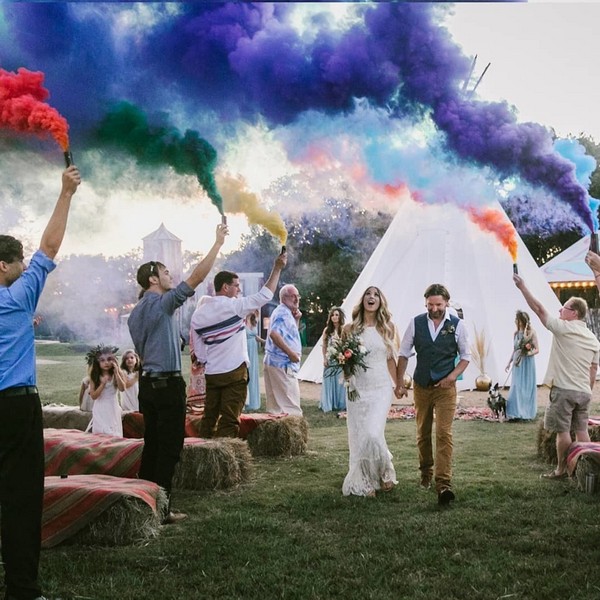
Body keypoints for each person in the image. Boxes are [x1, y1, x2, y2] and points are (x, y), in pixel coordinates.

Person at [0, 165, 80, 600]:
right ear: (3, 265)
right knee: (20, 498)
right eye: (15, 262)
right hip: (14, 407)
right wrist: (65, 192)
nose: (20, 267)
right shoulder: (16, 296)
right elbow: (50, 246)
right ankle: (21, 590)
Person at [128, 224, 228, 524]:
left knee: (153, 444)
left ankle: (144, 504)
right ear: (152, 279)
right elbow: (197, 277)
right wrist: (218, 243)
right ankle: (163, 508)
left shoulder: (135, 313)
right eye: (166, 272)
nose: (171, 276)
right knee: (169, 448)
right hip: (167, 385)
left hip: (147, 386)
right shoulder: (163, 303)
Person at [191, 253, 286, 438]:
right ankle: (225, 458)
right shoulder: (235, 307)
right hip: (234, 371)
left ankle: (203, 449)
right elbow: (266, 294)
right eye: (236, 286)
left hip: (212, 372)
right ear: (225, 287)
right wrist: (277, 268)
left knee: (209, 417)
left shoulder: (198, 315)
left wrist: (207, 361)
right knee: (229, 418)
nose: (239, 290)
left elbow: (199, 351)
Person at [513, 273, 599, 479]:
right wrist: (587, 389)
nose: (560, 310)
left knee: (562, 433)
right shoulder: (593, 339)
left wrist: (523, 287)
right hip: (584, 392)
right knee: (581, 431)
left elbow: (539, 309)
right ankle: (587, 469)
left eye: (565, 308)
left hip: (564, 390)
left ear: (574, 313)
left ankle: (561, 470)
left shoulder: (563, 328)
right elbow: (593, 369)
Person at [396, 283, 471, 507]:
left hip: (446, 389)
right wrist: (399, 383)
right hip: (421, 385)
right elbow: (403, 353)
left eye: (438, 304)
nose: (434, 308)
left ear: (447, 302)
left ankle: (443, 483)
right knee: (423, 432)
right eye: (430, 304)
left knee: (444, 433)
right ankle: (425, 474)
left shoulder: (458, 325)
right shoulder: (416, 322)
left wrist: (452, 377)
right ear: (425, 303)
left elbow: (466, 356)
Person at [341, 287, 398, 497]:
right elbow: (344, 359)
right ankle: (365, 480)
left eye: (375, 294)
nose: (371, 297)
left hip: (381, 387)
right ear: (363, 299)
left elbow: (391, 359)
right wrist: (348, 379)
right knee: (360, 435)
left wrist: (399, 383)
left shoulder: (388, 327)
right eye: (368, 294)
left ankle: (383, 471)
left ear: (380, 301)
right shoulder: (349, 329)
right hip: (358, 388)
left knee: (373, 432)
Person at [263, 283, 303, 416]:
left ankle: (278, 435)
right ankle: (294, 434)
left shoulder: (285, 313)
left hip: (275, 362)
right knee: (291, 406)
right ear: (284, 298)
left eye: (297, 296)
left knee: (276, 408)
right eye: (293, 296)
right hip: (282, 364)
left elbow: (288, 336)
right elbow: (274, 334)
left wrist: (296, 320)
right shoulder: (282, 313)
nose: (296, 299)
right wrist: (290, 353)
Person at [505, 310, 539, 421]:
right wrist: (509, 362)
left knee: (527, 387)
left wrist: (528, 353)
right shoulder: (515, 334)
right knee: (516, 386)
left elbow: (537, 349)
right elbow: (514, 349)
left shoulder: (531, 333)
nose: (516, 321)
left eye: (517, 319)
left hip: (528, 362)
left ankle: (526, 413)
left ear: (522, 321)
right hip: (517, 363)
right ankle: (515, 412)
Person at [88, 345, 125, 436]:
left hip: (113, 407)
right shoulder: (94, 376)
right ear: (98, 362)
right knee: (101, 432)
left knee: (114, 433)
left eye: (109, 359)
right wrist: (102, 384)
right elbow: (93, 396)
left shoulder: (117, 374)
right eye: (102, 360)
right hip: (100, 408)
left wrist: (116, 373)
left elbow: (122, 388)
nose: (106, 363)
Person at [320, 306, 347, 413]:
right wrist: (324, 358)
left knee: (340, 382)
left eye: (336, 315)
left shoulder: (344, 329)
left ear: (340, 317)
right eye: (332, 315)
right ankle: (329, 403)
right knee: (329, 380)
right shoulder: (327, 330)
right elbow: (324, 345)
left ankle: (340, 403)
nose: (334, 317)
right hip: (330, 359)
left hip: (341, 359)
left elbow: (347, 344)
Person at [187, 295, 210, 412]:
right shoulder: (197, 321)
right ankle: (197, 405)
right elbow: (193, 340)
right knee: (200, 382)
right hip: (200, 358)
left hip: (208, 358)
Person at [245, 310, 265, 412]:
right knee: (246, 373)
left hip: (253, 350)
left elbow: (255, 336)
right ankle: (246, 401)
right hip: (245, 349)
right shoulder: (242, 321)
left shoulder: (254, 320)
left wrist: (265, 342)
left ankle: (254, 402)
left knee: (253, 373)